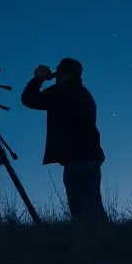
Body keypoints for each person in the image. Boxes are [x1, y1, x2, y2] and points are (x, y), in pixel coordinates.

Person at [20, 57, 109, 224]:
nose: (57, 78)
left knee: (84, 213)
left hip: (78, 160)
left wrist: (38, 78)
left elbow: (29, 99)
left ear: (67, 74)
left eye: (59, 75)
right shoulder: (81, 93)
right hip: (90, 158)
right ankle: (104, 244)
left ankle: (95, 246)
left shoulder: (64, 90)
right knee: (93, 209)